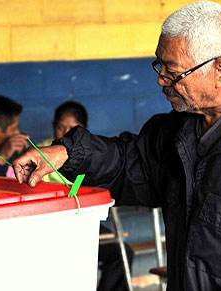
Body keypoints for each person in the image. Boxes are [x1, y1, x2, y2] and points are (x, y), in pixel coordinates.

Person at [13, 1, 221, 290]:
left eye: (173, 71)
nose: (161, 81)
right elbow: (130, 163)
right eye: (159, 66)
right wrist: (67, 152)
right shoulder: (183, 125)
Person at [39, 100, 134, 291]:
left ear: (83, 131)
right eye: (60, 127)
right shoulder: (41, 152)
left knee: (122, 254)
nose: (65, 133)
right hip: (48, 227)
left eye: (72, 129)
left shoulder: (90, 156)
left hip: (84, 224)